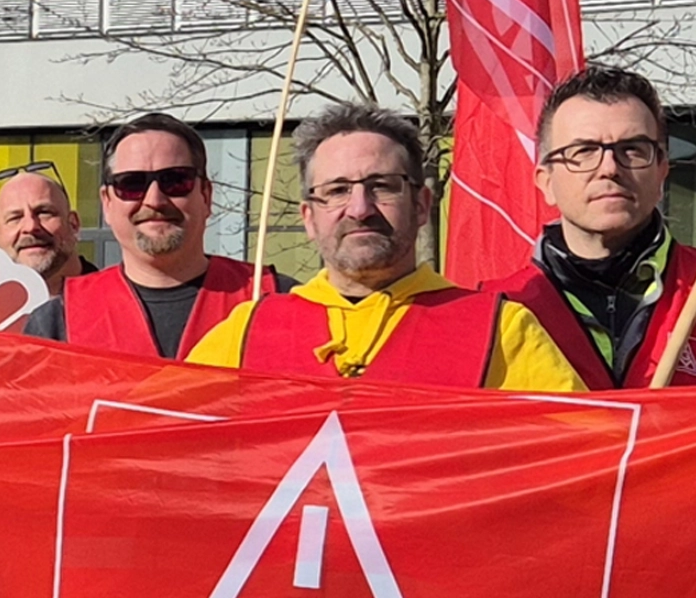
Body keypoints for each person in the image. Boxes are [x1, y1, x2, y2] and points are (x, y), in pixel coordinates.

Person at [187, 104, 585, 390]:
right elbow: (169, 447)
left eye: (382, 186)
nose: (360, 209)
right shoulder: (246, 333)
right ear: (308, 217)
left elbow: (578, 455)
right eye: (337, 190)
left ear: (422, 205)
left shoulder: (500, 329)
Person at [484, 65, 696, 386]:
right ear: (546, 181)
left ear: (662, 170)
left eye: (632, 149)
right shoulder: (492, 314)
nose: (610, 168)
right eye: (583, 151)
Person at [24, 114, 276, 356]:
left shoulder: (274, 300)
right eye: (131, 184)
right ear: (107, 203)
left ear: (206, 196)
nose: (154, 200)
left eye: (175, 180)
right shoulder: (56, 323)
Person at [0, 164, 95, 297]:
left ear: (73, 224)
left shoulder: (114, 301)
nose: (30, 227)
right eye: (15, 218)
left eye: (44, 213)